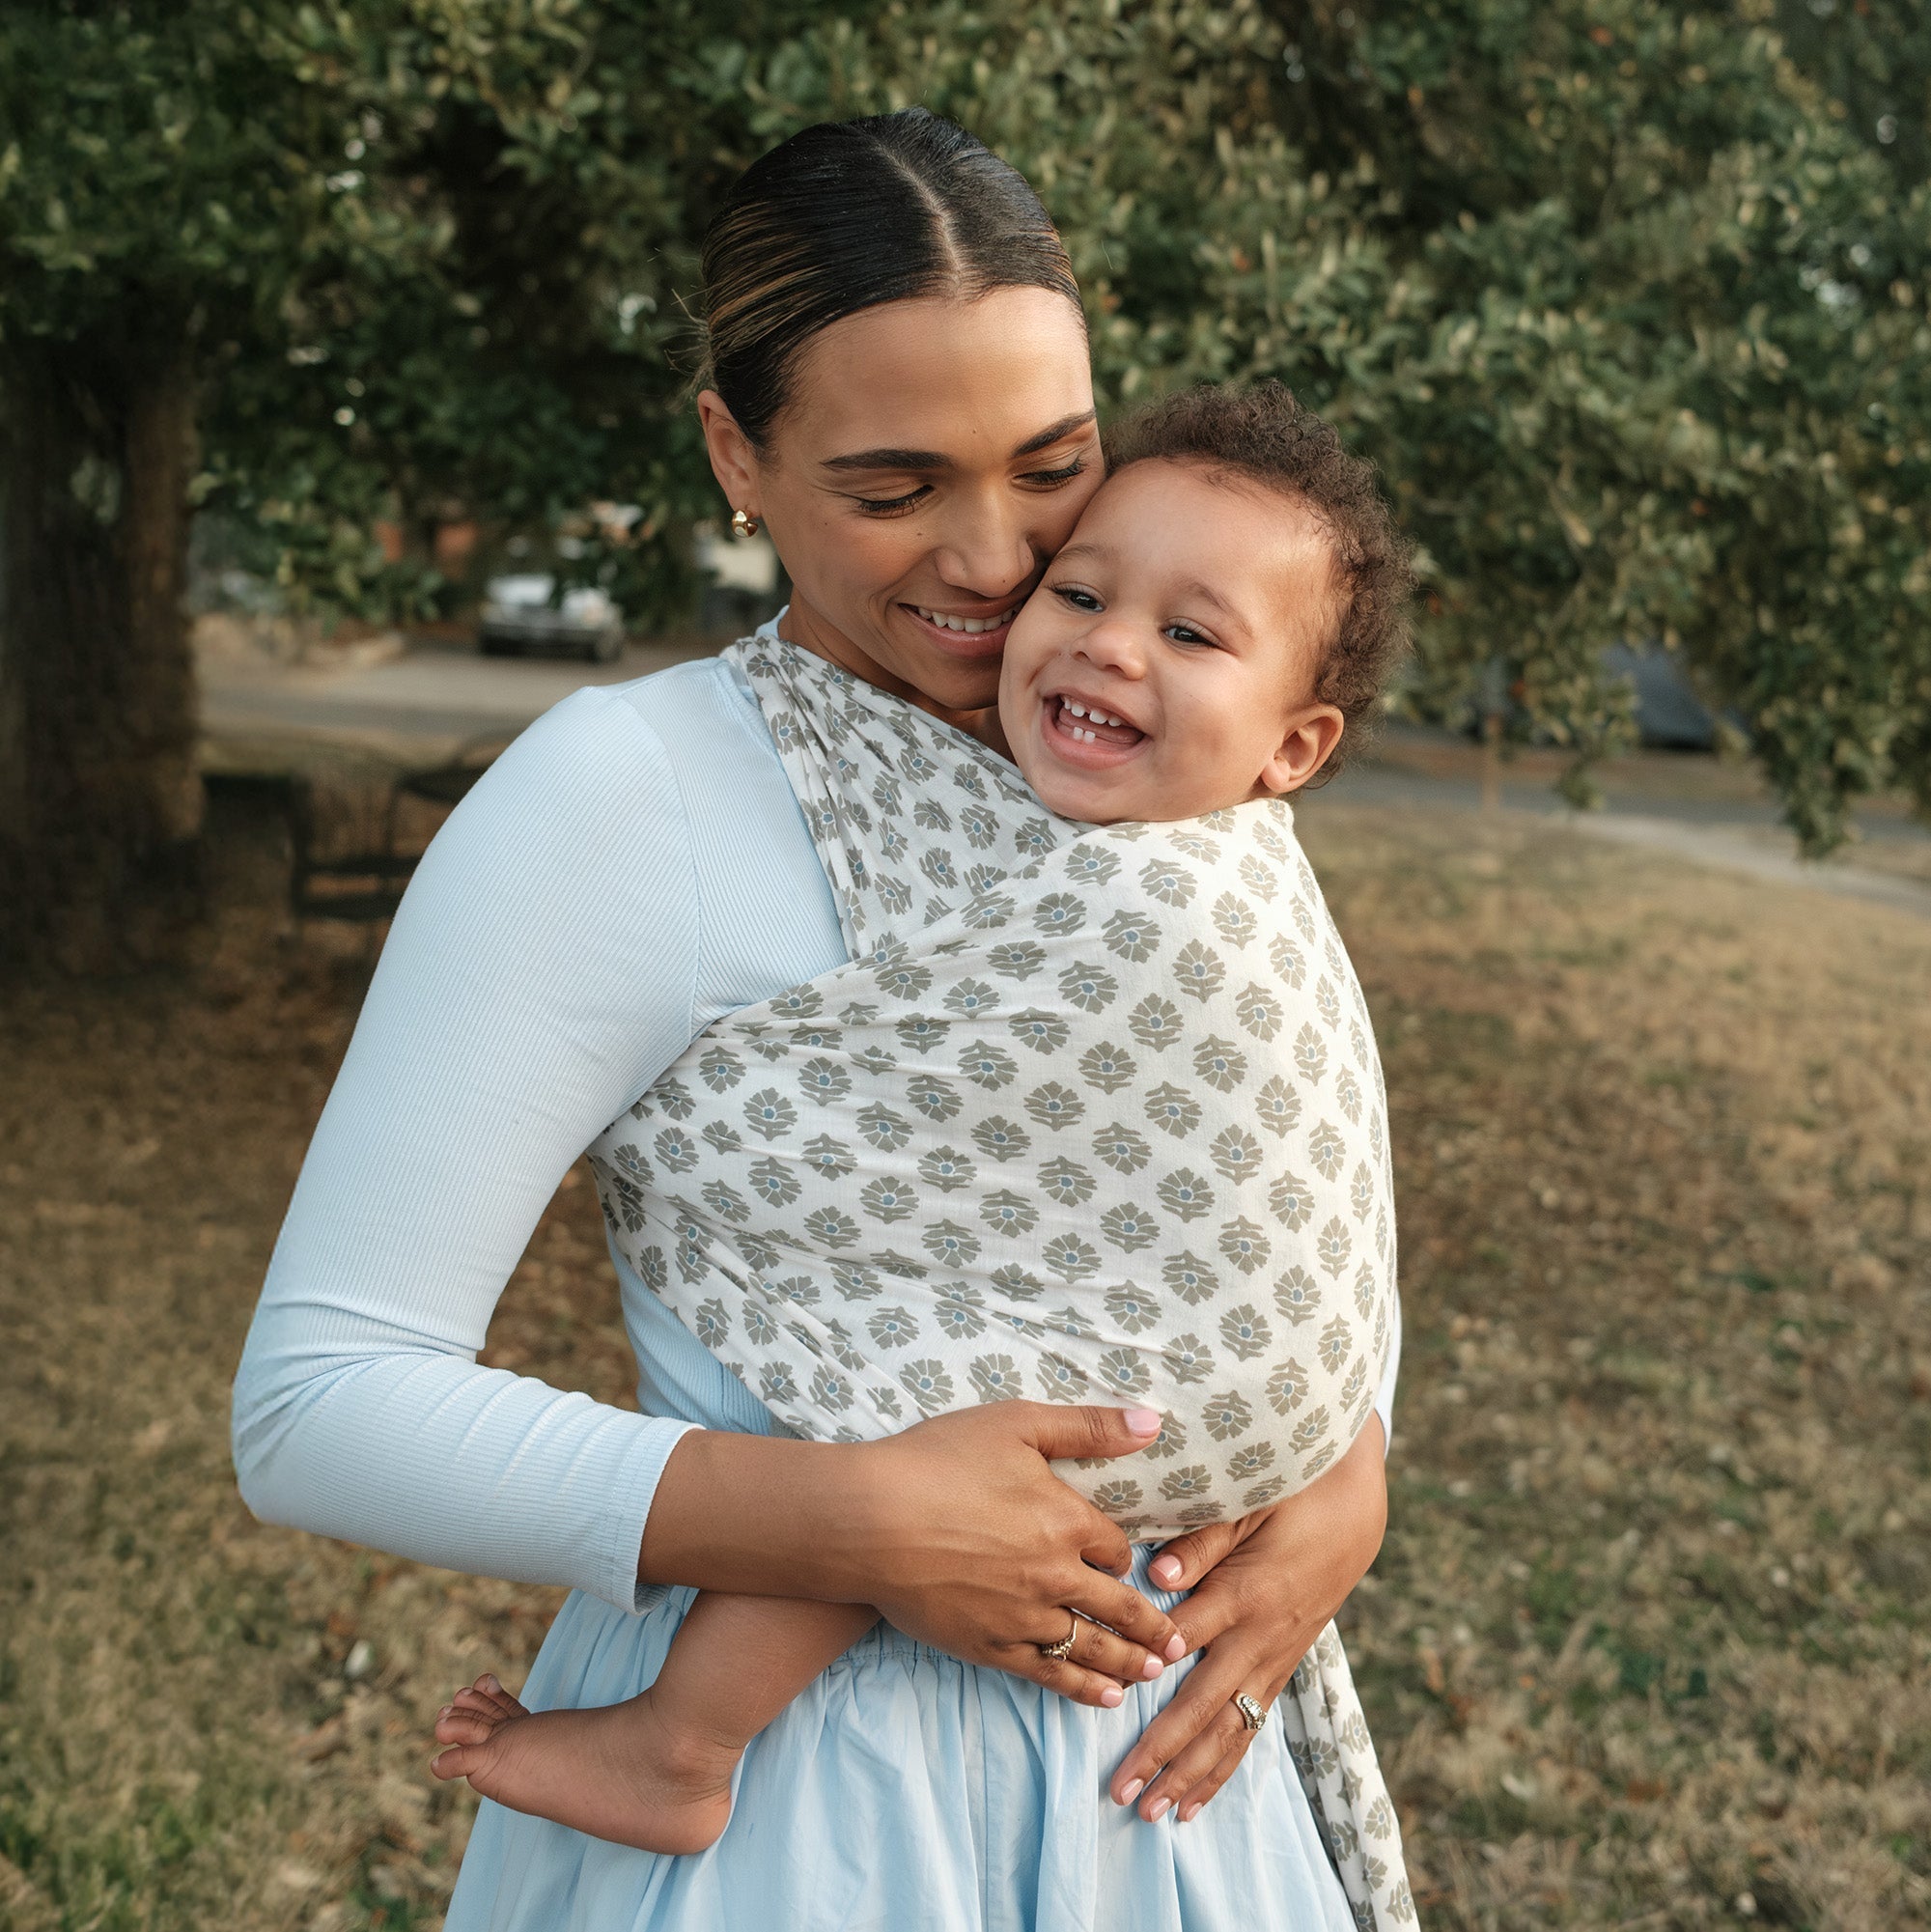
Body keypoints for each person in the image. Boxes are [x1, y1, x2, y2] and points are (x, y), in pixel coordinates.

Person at [233, 109, 1407, 1931]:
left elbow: (1259, 1186)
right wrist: (848, 1525)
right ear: (737, 456)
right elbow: (319, 1402)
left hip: (1157, 1794)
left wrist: (1344, 1467)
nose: (1002, 557)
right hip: (806, 1810)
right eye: (893, 488)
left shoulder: (1143, 757)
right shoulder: (623, 798)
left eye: (1052, 464)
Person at [426, 381, 1413, 1893]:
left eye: (1191, 634)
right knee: (921, 1443)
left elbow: (1302, 1170)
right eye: (1079, 589)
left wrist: (1351, 1463)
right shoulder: (777, 802)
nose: (1101, 635)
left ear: (1296, 747)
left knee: (937, 1414)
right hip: (1090, 1633)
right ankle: (693, 1733)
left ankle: (686, 1734)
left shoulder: (1198, 892)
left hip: (1169, 1606)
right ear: (737, 454)